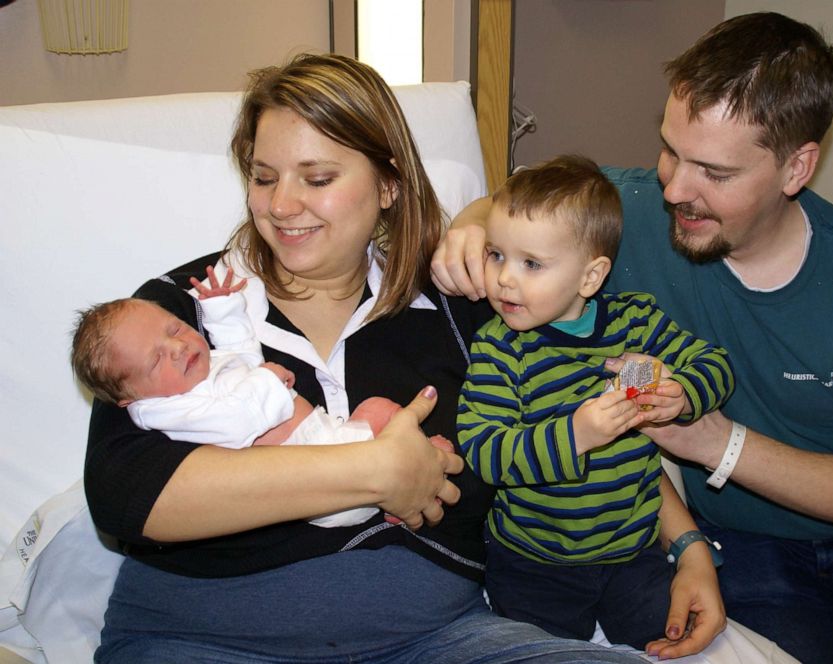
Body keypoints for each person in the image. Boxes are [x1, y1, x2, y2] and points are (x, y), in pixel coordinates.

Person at [82, 52, 694, 663]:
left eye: (317, 179)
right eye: (264, 177)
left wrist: (688, 547)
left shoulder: (467, 306)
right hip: (202, 638)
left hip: (436, 639)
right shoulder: (183, 314)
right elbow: (122, 492)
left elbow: (596, 417)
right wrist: (376, 472)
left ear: (388, 184)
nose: (280, 205)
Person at [431, 12, 833, 664]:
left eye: (713, 172)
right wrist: (468, 222)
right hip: (738, 537)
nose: (673, 186)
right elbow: (523, 210)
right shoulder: (633, 216)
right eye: (669, 149)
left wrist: (715, 440)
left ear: (796, 167)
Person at [457, 155, 732, 653]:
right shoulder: (499, 348)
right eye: (496, 255)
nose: (503, 280)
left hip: (634, 551)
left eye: (531, 264)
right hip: (533, 561)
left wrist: (682, 393)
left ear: (591, 277)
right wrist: (576, 435)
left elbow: (715, 363)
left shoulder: (636, 323)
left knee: (673, 636)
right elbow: (484, 451)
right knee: (541, 652)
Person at [71, 268, 426, 527]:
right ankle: (421, 465)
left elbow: (242, 355)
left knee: (379, 409)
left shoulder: (196, 375)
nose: (178, 348)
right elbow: (236, 424)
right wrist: (269, 382)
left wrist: (223, 311)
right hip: (321, 482)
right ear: (129, 399)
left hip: (331, 440)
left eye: (175, 328)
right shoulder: (167, 411)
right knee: (383, 415)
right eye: (156, 359)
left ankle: (404, 490)